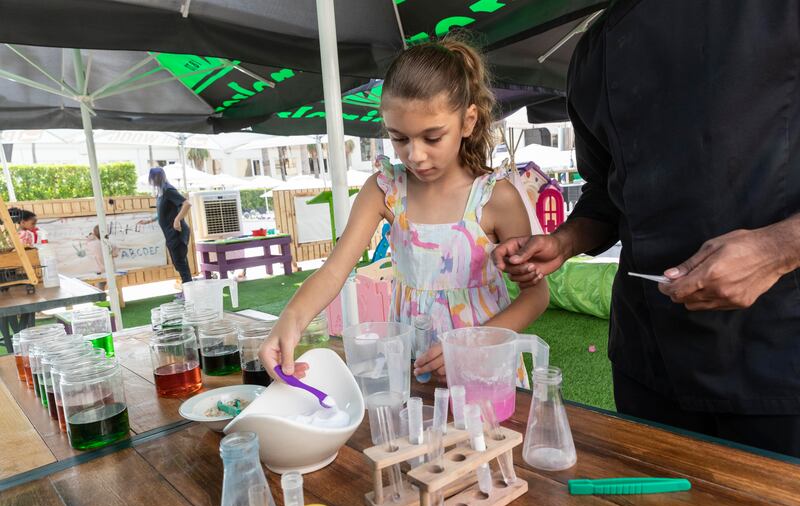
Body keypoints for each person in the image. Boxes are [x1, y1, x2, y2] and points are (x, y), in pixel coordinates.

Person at [493, 1, 800, 457]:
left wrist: (777, 248)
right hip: (649, 360)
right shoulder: (595, 50)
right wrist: (565, 240)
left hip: (779, 358)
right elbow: (607, 190)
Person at [260, 39, 549, 382]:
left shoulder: (494, 197)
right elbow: (334, 271)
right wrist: (290, 319)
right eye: (400, 138)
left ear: (468, 122)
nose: (415, 155)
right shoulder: (384, 190)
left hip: (486, 371)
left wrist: (473, 344)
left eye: (432, 137)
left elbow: (536, 294)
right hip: (416, 367)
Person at [137, 167, 193, 288]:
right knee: (179, 263)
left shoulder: (168, 190)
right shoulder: (161, 192)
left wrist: (177, 220)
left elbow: (187, 204)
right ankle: (188, 289)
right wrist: (149, 220)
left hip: (177, 233)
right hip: (170, 234)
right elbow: (164, 212)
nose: (155, 180)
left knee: (180, 263)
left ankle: (189, 291)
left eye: (157, 177)